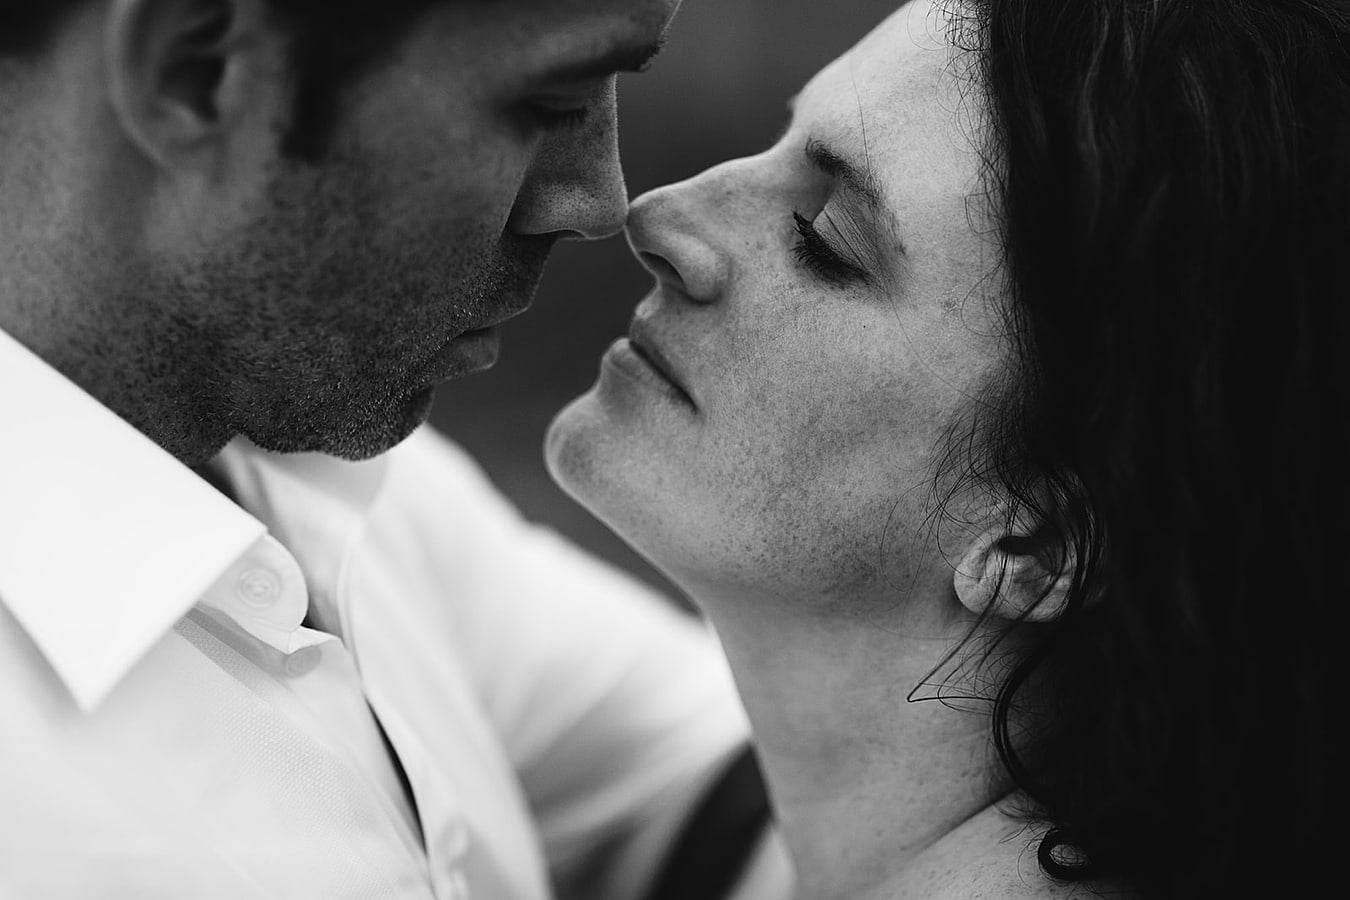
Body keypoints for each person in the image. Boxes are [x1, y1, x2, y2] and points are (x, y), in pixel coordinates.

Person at [546, 0, 1342, 896]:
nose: (657, 215)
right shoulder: (742, 821)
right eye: (775, 144)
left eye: (825, 239)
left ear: (1040, 544)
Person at [0, 1, 790, 898]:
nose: (599, 202)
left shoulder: (330, 482)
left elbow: (745, 793)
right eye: (552, 100)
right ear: (200, 70)